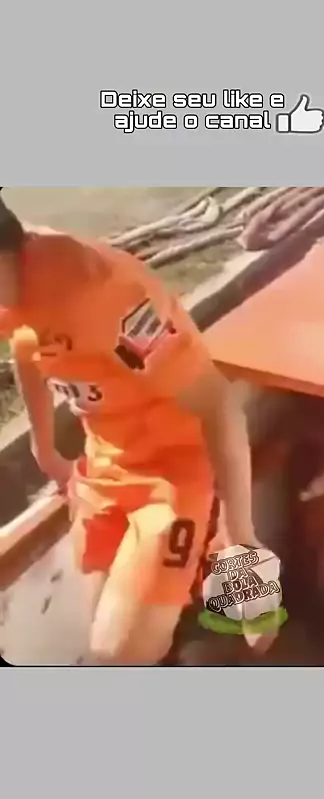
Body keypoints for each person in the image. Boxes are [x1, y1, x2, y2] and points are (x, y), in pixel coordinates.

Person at [0, 193, 265, 665]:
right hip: (104, 464)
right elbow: (27, 347)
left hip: (174, 470)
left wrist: (240, 531)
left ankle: (208, 575)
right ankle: (183, 609)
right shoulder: (14, 286)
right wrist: (44, 449)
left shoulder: (102, 297)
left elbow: (218, 404)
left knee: (115, 659)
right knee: (101, 641)